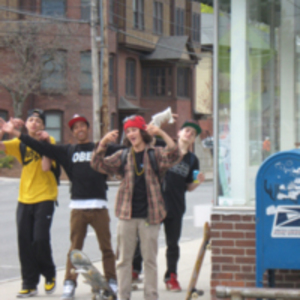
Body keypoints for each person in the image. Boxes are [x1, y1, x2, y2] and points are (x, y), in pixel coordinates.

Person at [1, 114, 117, 300]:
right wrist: (9, 131)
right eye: (75, 127)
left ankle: (108, 282)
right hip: (54, 202)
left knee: (105, 248)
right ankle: (52, 284)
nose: (80, 129)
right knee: (63, 249)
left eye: (82, 126)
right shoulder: (60, 149)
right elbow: (26, 146)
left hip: (75, 201)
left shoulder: (93, 147)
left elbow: (46, 166)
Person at [90, 115, 182, 300]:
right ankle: (123, 296)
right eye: (128, 131)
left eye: (134, 130)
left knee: (150, 261)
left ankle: (151, 296)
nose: (131, 134)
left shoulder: (155, 154)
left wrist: (161, 132)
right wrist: (103, 143)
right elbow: (97, 164)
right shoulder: (123, 155)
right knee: (124, 260)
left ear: (142, 132)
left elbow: (175, 155)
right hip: (126, 214)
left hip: (151, 216)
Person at [132, 120, 205, 292]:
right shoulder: (162, 147)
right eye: (186, 130)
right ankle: (134, 271)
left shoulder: (192, 160)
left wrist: (198, 182)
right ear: (178, 133)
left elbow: (189, 187)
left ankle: (171, 277)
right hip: (154, 205)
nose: (189, 134)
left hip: (176, 207)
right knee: (145, 240)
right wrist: (162, 120)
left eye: (193, 134)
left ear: (193, 140)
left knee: (173, 244)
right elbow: (147, 134)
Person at [0, 109, 58, 298]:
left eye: (38, 121)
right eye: (31, 120)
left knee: (40, 239)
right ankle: (29, 284)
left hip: (45, 196)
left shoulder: (50, 141)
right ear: (25, 124)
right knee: (25, 243)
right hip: (24, 198)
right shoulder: (19, 143)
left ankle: (49, 274)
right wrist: (3, 130)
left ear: (43, 126)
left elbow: (45, 166)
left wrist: (43, 142)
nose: (34, 123)